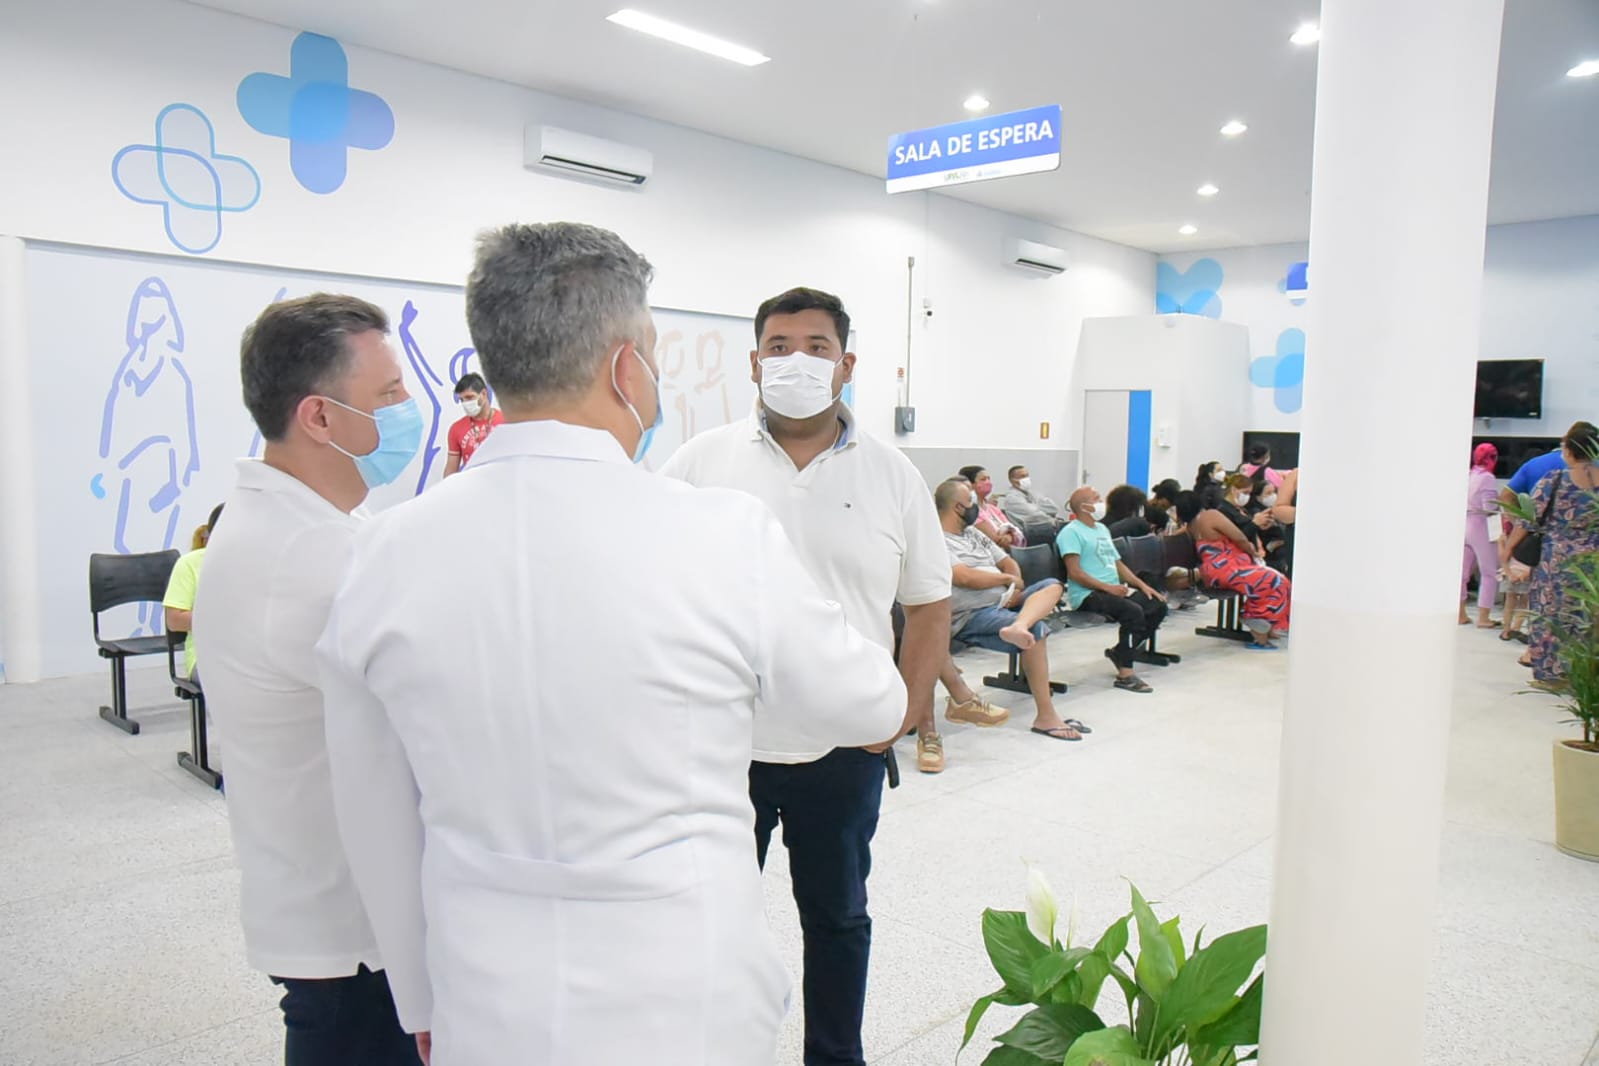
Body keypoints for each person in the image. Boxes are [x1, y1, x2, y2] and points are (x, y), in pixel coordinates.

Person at [316, 229, 907, 1066]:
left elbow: (371, 812)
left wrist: (420, 996)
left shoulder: (381, 553)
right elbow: (871, 705)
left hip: (483, 991)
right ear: (628, 369)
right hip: (685, 996)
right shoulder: (719, 533)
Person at [660, 285, 950, 1065]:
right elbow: (652, 586)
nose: (796, 361)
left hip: (844, 748)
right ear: (754, 363)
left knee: (837, 917)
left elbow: (928, 603)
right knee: (708, 920)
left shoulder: (892, 474)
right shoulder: (698, 463)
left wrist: (900, 716)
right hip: (722, 748)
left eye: (816, 348)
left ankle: (834, 1055)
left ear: (846, 364)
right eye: (779, 347)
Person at [194, 294, 426, 1066]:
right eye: (389, 393)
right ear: (320, 417)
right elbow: (435, 724)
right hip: (355, 939)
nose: (408, 407)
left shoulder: (306, 522)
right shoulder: (308, 555)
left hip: (328, 915)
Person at [937, 478, 1089, 740]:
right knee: (1037, 631)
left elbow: (1008, 561)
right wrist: (1007, 580)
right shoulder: (937, 540)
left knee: (1052, 585)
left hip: (1005, 599)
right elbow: (964, 577)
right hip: (972, 613)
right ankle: (1046, 716)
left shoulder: (973, 533)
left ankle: (1019, 624)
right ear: (958, 507)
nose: (976, 507)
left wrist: (1014, 586)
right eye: (971, 501)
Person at [1056, 487, 1167, 693]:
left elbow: (1117, 564)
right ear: (1084, 506)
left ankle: (1121, 652)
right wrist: (1108, 588)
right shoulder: (1071, 533)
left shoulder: (1101, 529)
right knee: (1133, 612)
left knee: (1157, 604)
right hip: (1088, 594)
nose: (1101, 502)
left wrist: (1142, 586)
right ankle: (1126, 674)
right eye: (1095, 499)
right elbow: (1075, 572)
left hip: (1113, 590)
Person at [1524, 422, 1599, 692]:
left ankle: (1552, 676)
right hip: (1592, 565)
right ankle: (1583, 676)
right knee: (1585, 618)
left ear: (1568, 450)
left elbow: (1529, 518)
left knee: (1549, 617)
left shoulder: (1554, 480)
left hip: (1555, 565)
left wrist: (1508, 551)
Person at [1175, 490, 1292, 649]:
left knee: (1277, 579)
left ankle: (1267, 626)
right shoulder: (1210, 516)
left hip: (1215, 572)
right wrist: (1253, 552)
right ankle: (1256, 625)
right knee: (1275, 580)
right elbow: (1239, 537)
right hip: (1228, 569)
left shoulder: (1191, 526)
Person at [162, 503, 223, 680]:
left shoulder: (259, 563)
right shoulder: (189, 564)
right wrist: (227, 620)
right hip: (207, 658)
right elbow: (175, 620)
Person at [1461, 442, 1501, 628]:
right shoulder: (1488, 478)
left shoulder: (1469, 475)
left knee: (1462, 574)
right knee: (1489, 572)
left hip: (1465, 524)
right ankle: (1484, 617)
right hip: (1482, 526)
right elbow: (1490, 507)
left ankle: (1460, 613)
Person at [442, 371, 504, 476]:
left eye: (469, 397)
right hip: (472, 483)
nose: (466, 403)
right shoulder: (456, 429)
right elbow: (451, 469)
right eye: (462, 400)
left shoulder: (507, 421)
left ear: (483, 394)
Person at [960, 464, 1025, 547]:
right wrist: (1010, 536)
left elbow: (1014, 529)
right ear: (970, 485)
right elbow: (995, 540)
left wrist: (1009, 537)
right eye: (983, 479)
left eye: (988, 478)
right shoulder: (971, 512)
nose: (988, 482)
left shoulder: (993, 509)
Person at [1002, 464, 1066, 530]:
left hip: (1044, 530)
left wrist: (1036, 507)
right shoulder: (1012, 499)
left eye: (1027, 476)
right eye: (1022, 476)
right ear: (1012, 480)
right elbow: (1035, 516)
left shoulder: (1031, 493)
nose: (1026, 479)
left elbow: (1054, 508)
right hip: (1028, 534)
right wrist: (1053, 520)